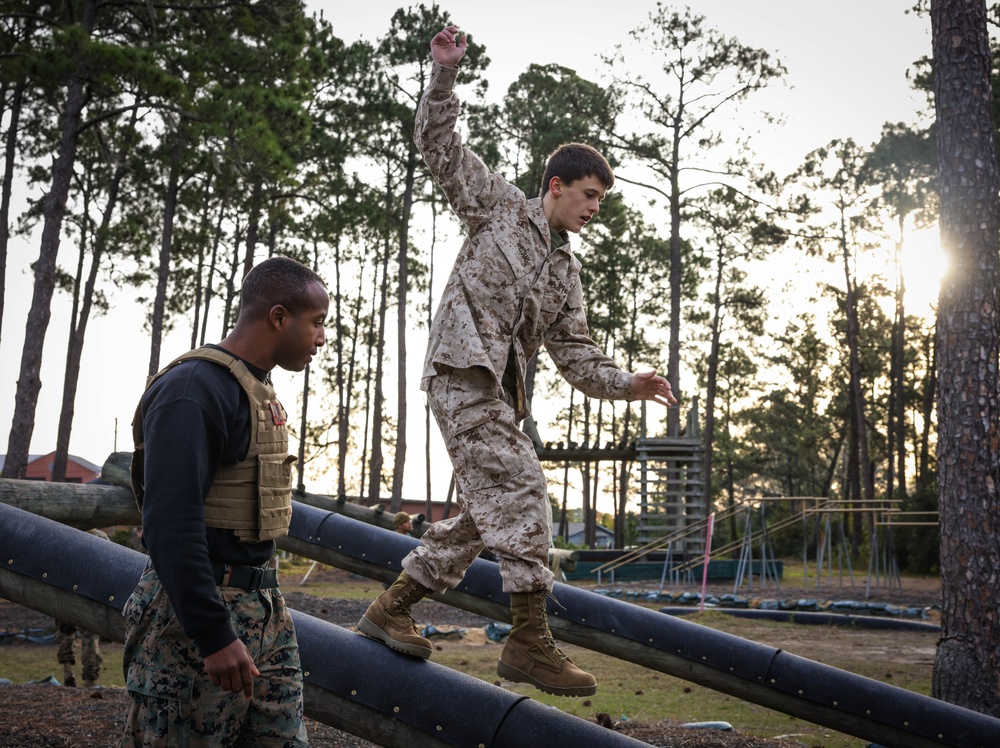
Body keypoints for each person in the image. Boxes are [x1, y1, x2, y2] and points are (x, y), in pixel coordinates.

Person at [358, 25, 677, 698]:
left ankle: (391, 608)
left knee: (489, 517)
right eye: (590, 196)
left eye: (602, 201)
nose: (595, 210)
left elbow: (579, 359)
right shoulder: (498, 210)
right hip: (459, 375)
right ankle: (529, 644)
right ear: (555, 187)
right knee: (526, 487)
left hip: (500, 400)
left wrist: (632, 383)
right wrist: (443, 75)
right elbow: (440, 148)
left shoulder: (566, 276)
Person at [122, 256, 328, 746]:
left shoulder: (255, 389)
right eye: (317, 323)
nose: (322, 338)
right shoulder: (193, 390)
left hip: (264, 609)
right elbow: (171, 523)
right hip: (193, 618)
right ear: (279, 317)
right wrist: (212, 634)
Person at [58, 528, 111, 688]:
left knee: (66, 633)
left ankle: (68, 671)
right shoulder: (102, 538)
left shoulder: (68, 537)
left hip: (66, 591)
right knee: (90, 638)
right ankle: (89, 679)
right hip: (90, 595)